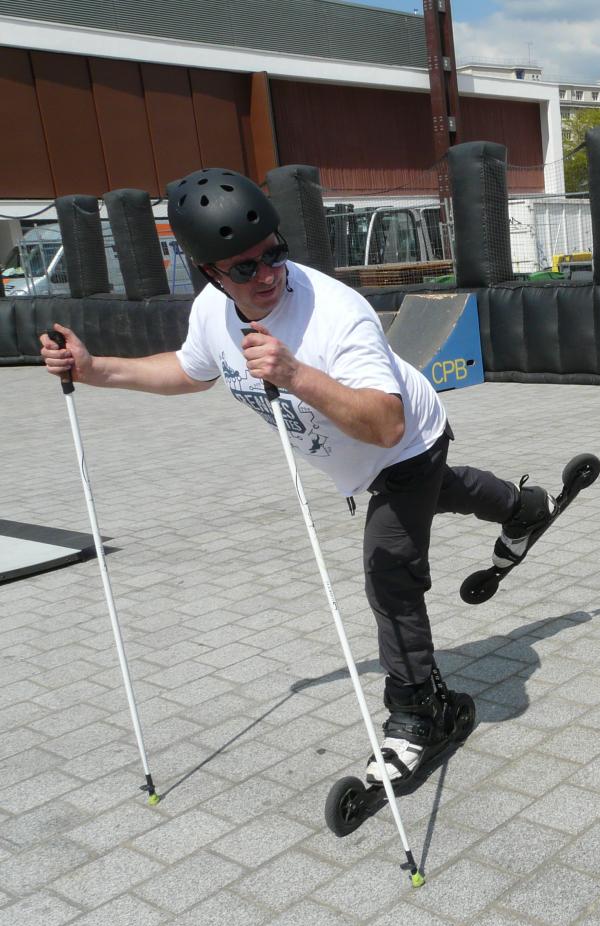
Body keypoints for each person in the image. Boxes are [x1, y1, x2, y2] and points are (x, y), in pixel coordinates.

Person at [41, 168, 566, 785]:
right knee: (444, 492)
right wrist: (96, 367)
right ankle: (521, 507)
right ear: (208, 271)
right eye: (243, 268)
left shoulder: (338, 314)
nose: (265, 275)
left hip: (405, 444)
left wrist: (294, 375)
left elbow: (387, 425)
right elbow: (190, 371)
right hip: (372, 460)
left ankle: (422, 712)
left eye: (272, 255)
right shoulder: (213, 310)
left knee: (390, 569)